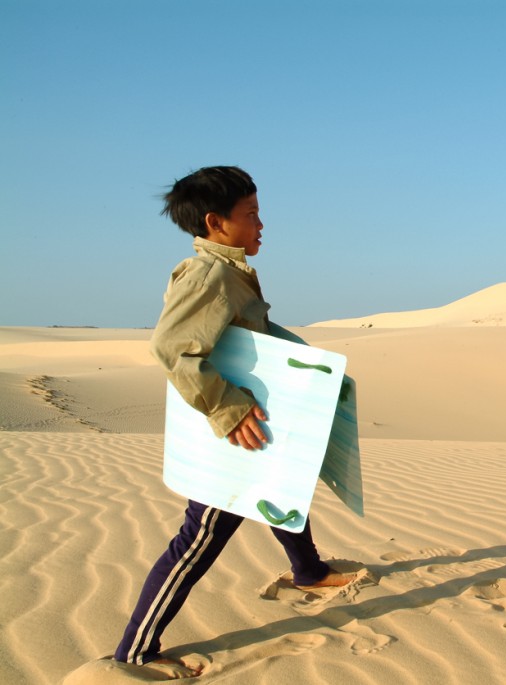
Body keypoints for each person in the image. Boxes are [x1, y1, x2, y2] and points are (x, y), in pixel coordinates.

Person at [113, 166, 364, 678]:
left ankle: (309, 571)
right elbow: (170, 347)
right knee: (198, 539)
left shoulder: (229, 270)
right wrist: (226, 408)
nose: (261, 224)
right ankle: (135, 651)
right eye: (250, 215)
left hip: (243, 417)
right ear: (216, 222)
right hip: (225, 432)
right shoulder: (210, 275)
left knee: (280, 483)